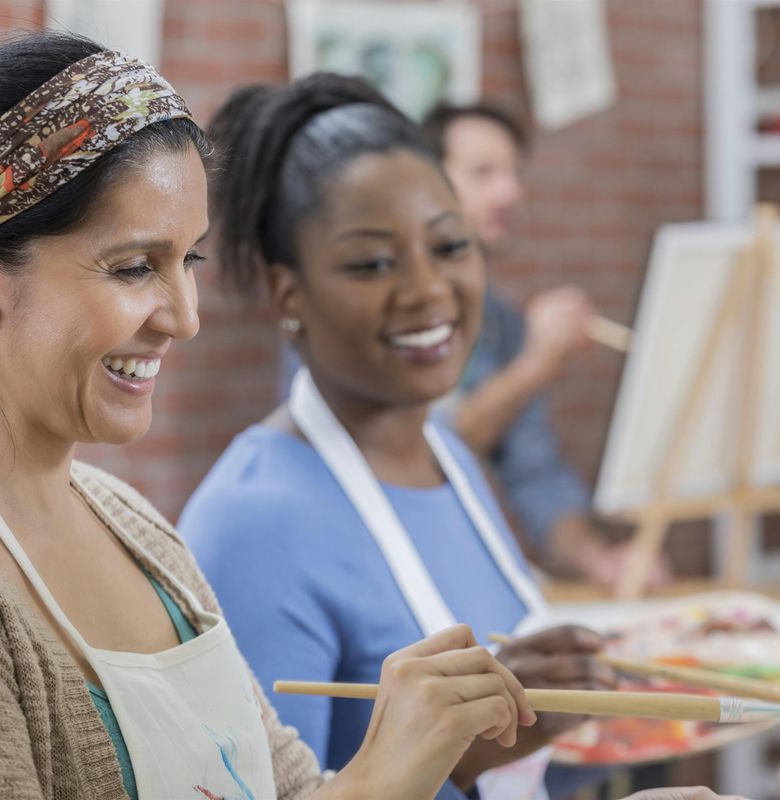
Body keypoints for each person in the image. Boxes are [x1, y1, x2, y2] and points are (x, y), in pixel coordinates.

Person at [0, 34, 547, 799]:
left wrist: (403, 754)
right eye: (134, 267)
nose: (185, 315)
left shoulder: (129, 524)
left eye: (188, 260)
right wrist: (379, 784)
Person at [182, 74, 628, 800]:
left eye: (450, 246)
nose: (428, 290)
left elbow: (459, 764)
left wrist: (519, 723)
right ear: (285, 292)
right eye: (373, 263)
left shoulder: (449, 457)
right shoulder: (255, 523)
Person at [420, 103, 669, 590]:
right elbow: (415, 459)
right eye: (483, 172)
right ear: (424, 182)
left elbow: (537, 476)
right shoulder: (371, 313)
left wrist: (599, 560)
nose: (510, 191)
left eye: (513, 173)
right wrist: (532, 367)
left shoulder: (503, 325)